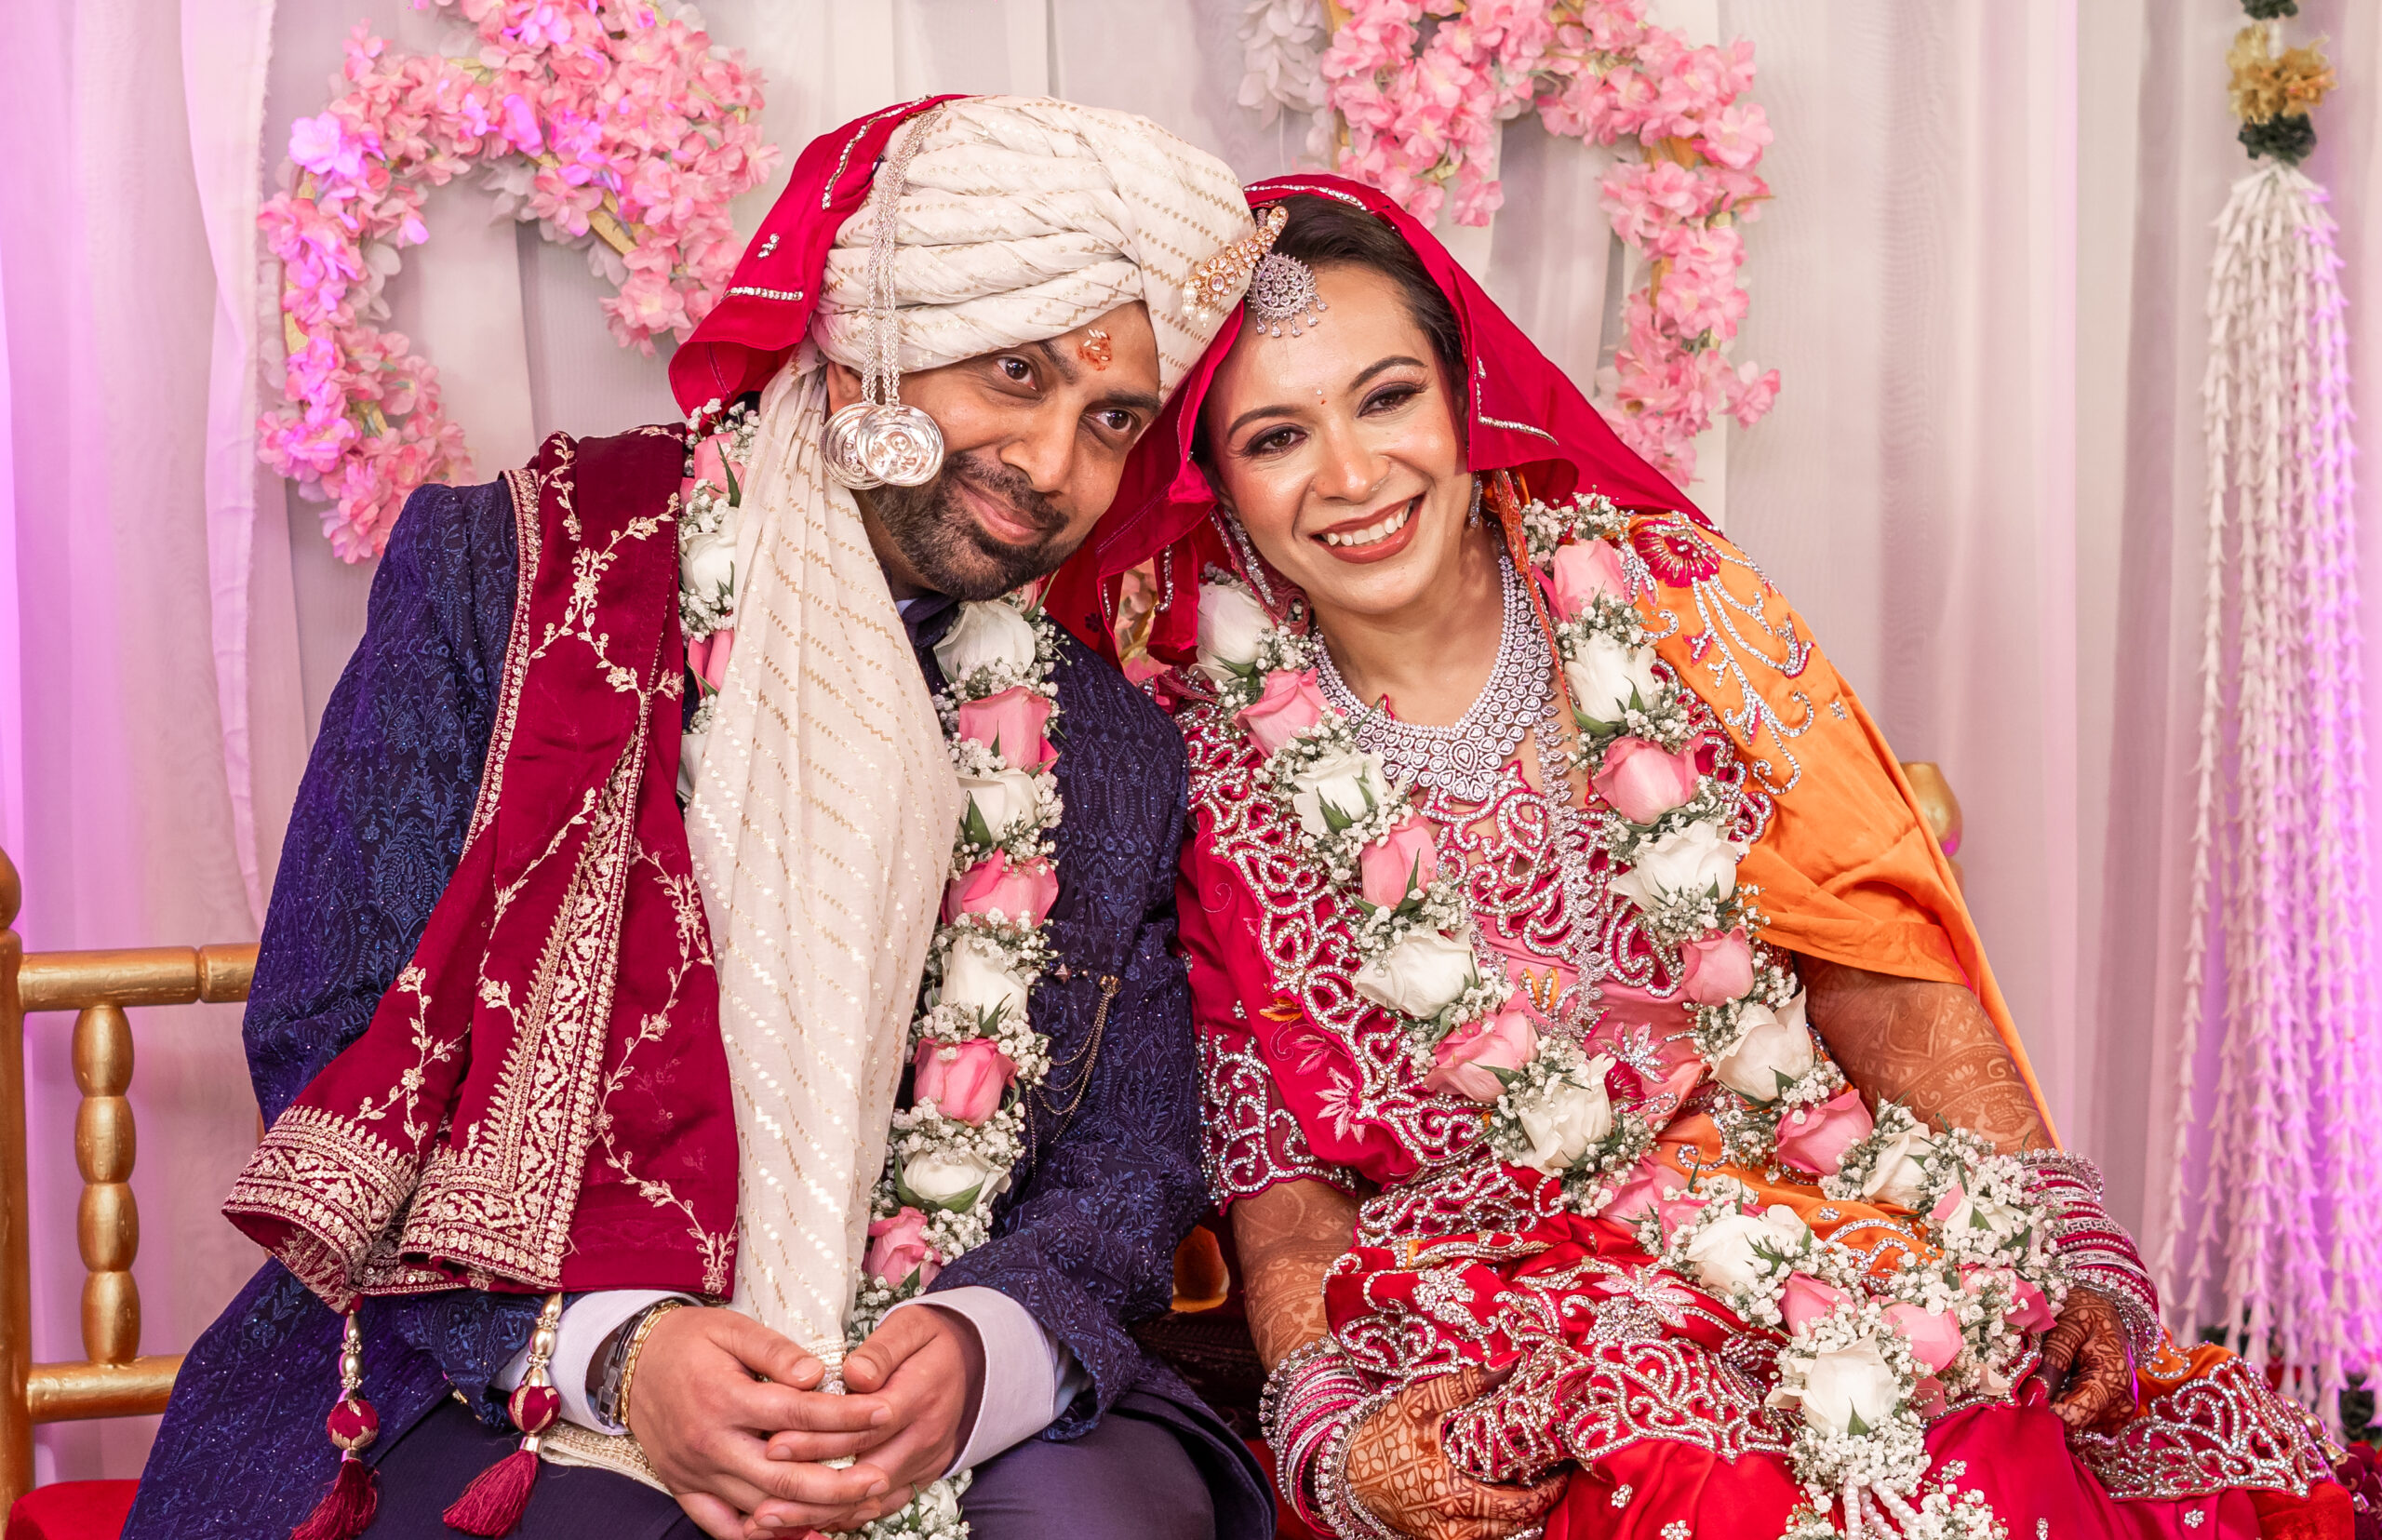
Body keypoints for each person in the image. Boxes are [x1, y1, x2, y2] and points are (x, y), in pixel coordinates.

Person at [1043, 179, 2349, 1540]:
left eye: (1387, 399)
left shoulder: (1674, 608)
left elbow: (1867, 958)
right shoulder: (1197, 755)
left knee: (1989, 1457)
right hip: (1484, 1302)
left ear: (1467, 397)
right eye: (1276, 436)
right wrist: (1332, 1434)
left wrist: (2064, 1233)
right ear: (1212, 480)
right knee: (1688, 1486)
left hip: (1812, 1200)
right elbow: (1272, 1163)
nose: (1354, 476)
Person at [126, 97, 1278, 1540]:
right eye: (1014, 371)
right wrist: (614, 1349)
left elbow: (1133, 1149)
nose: (1052, 464)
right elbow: (333, 1022)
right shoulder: (516, 578)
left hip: (927, 1365)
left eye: (1111, 420)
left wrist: (984, 1350)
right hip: (504, 1350)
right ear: (870, 335)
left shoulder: (1105, 744)